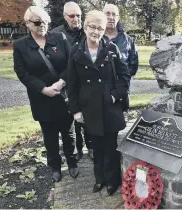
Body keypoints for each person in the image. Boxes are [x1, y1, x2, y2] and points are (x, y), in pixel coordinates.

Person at [67, 10, 130, 195]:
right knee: (96, 146)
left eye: (100, 28)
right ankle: (99, 179)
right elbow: (72, 83)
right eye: (92, 27)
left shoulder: (111, 49)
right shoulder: (76, 51)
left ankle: (112, 181)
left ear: (104, 30)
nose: (96, 31)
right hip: (89, 108)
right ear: (85, 27)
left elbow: (124, 75)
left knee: (110, 146)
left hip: (110, 107)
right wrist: (76, 110)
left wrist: (115, 95)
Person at [13, 6, 79, 182]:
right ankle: (55, 166)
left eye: (45, 21)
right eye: (37, 22)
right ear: (28, 24)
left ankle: (72, 163)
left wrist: (61, 82)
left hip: (63, 95)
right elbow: (22, 73)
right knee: (49, 135)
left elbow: (71, 63)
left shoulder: (59, 38)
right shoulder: (20, 46)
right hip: (42, 99)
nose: (42, 25)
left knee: (69, 133)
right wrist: (43, 89)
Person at [51, 1, 92, 161]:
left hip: (87, 82)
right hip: (67, 83)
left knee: (88, 117)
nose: (76, 19)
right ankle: (78, 149)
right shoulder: (55, 34)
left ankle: (91, 147)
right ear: (64, 17)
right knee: (73, 119)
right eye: (72, 16)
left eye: (79, 15)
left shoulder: (88, 31)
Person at [102, 4, 139, 80]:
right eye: (107, 14)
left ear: (118, 18)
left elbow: (134, 65)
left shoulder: (127, 40)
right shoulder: (96, 38)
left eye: (114, 14)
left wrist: (124, 79)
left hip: (121, 87)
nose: (111, 17)